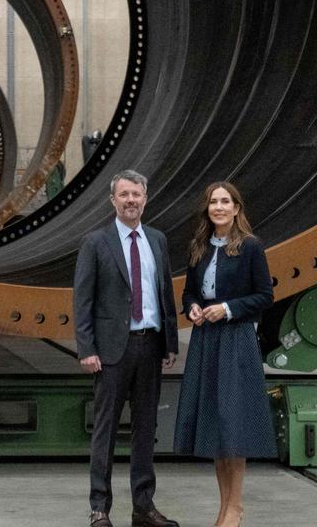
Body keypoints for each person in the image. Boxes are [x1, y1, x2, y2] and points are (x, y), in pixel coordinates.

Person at [74, 170, 180, 527]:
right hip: (110, 352)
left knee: (145, 431)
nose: (131, 200)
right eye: (124, 195)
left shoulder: (157, 240)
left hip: (150, 346)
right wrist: (87, 348)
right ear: (113, 201)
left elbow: (165, 293)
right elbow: (83, 300)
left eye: (136, 194)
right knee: (104, 432)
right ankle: (99, 508)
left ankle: (143, 507)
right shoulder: (96, 242)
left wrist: (170, 342)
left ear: (145, 199)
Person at [173, 182, 277, 527]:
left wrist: (228, 309)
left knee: (234, 426)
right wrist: (192, 309)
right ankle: (224, 507)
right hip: (206, 341)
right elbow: (189, 292)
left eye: (225, 201)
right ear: (207, 209)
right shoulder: (199, 248)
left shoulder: (250, 247)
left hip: (235, 341)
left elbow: (264, 296)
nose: (219, 207)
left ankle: (235, 507)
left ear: (236, 208)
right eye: (213, 202)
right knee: (216, 426)